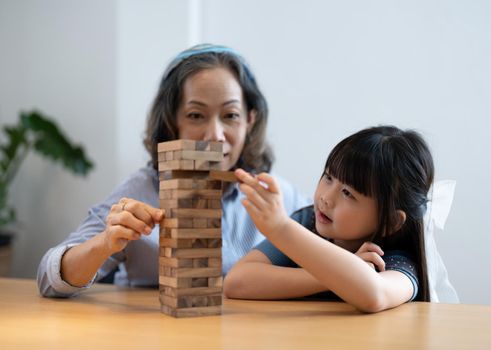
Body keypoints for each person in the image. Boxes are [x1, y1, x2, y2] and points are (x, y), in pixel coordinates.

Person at [37, 44, 310, 297]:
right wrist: (106, 243)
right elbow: (48, 280)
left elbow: (341, 258)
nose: (215, 135)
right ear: (172, 123)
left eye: (230, 115)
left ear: (249, 121)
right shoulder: (142, 191)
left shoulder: (277, 195)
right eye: (195, 115)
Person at [224, 126, 439, 313]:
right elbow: (237, 282)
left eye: (348, 193)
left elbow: (374, 295)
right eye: (328, 178)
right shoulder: (307, 222)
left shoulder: (394, 260)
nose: (326, 198)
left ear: (391, 222)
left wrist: (281, 228)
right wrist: (328, 275)